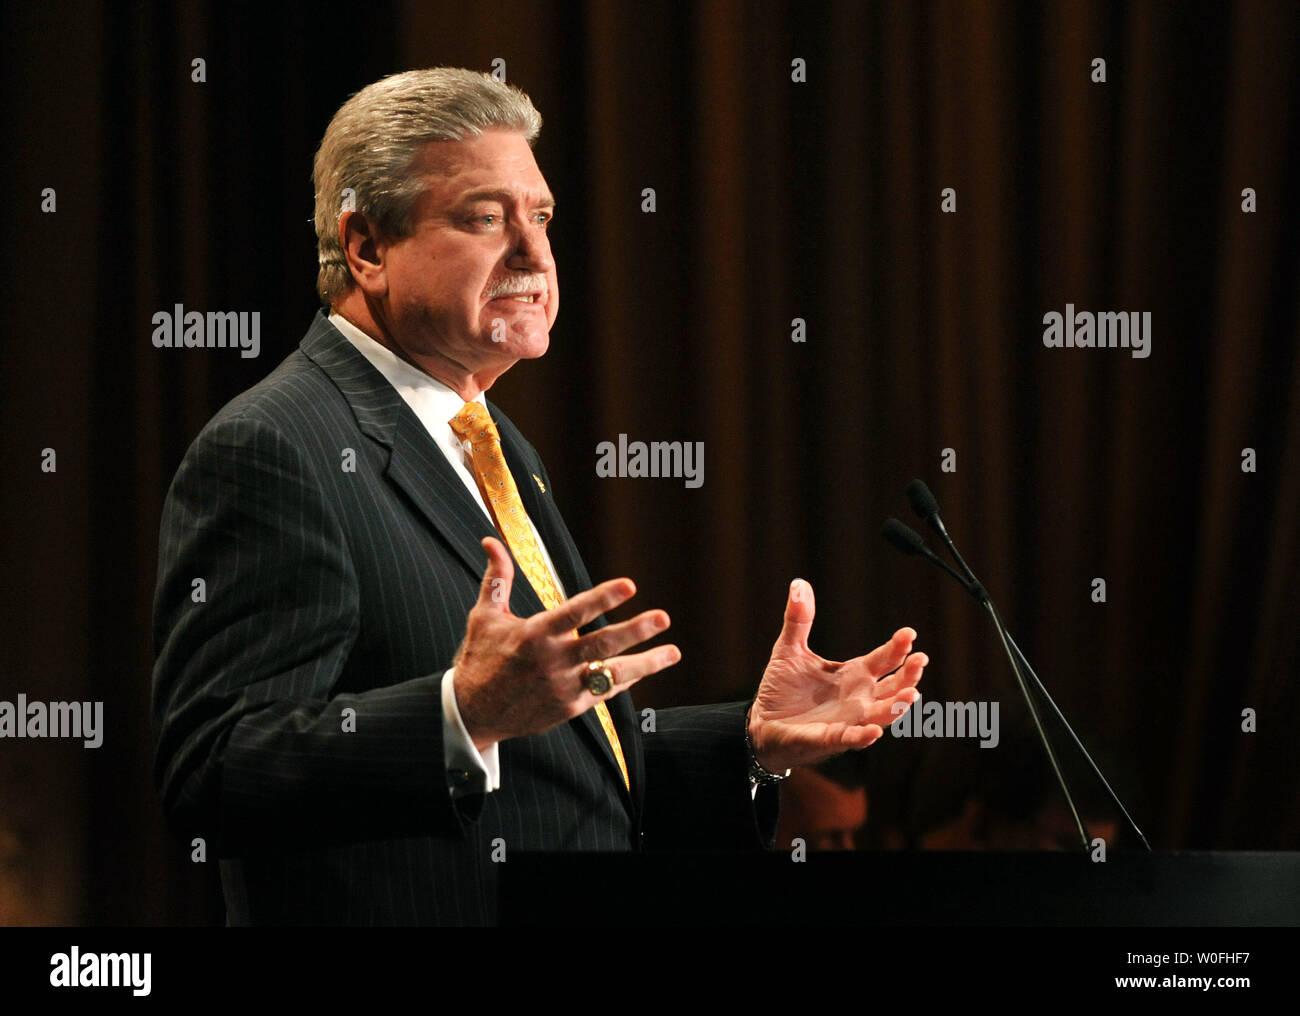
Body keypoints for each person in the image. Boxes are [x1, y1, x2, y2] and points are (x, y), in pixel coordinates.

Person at [151, 67, 928, 925]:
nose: (534, 254)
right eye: (487, 218)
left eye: (542, 217)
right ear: (368, 247)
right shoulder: (275, 445)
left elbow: (558, 760)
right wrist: (461, 714)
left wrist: (748, 742)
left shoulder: (489, 440)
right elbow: (213, 768)